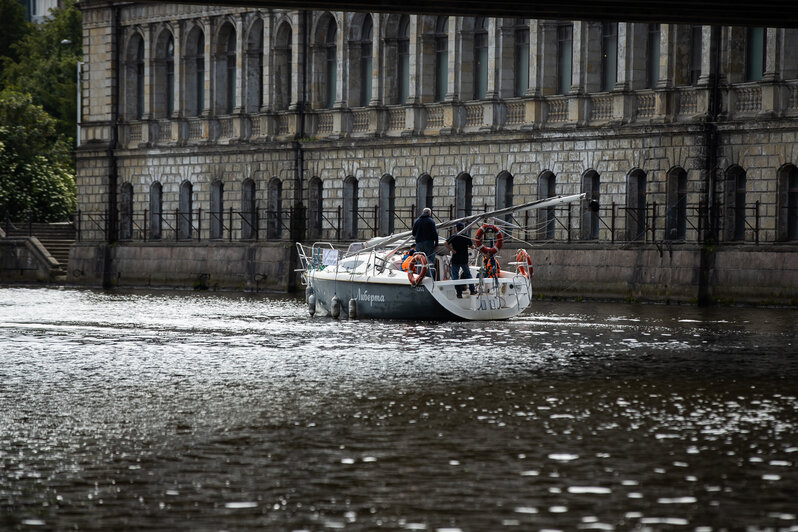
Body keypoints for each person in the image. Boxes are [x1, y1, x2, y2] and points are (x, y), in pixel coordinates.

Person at [444, 222, 477, 298]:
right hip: (464, 259)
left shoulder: (454, 236)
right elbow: (472, 247)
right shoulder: (466, 237)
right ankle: (472, 290)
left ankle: (459, 293)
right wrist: (473, 246)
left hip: (455, 259)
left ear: (456, 228)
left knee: (455, 276)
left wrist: (451, 250)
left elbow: (445, 243)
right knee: (468, 275)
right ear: (463, 228)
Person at [412, 207, 438, 277]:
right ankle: (430, 277)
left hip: (419, 243)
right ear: (429, 213)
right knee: (430, 261)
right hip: (429, 243)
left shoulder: (417, 221)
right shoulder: (431, 221)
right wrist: (436, 244)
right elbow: (435, 233)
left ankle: (419, 277)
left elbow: (413, 233)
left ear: (423, 212)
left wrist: (418, 238)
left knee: (420, 260)